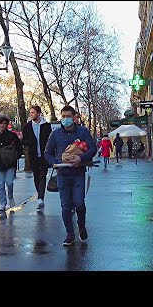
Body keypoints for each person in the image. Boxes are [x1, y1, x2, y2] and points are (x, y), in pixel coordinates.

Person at [44, 105, 97, 246]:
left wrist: (81, 159)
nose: (66, 119)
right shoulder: (55, 134)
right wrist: (54, 162)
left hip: (78, 174)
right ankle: (70, 234)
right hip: (62, 174)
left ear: (74, 117)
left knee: (79, 203)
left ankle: (81, 225)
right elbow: (47, 153)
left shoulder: (82, 132)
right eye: (63, 116)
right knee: (65, 206)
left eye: (68, 116)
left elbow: (92, 149)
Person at [0, 116, 23, 212]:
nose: (2, 125)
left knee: (9, 182)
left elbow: (19, 148)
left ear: (7, 125)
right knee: (1, 185)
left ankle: (10, 197)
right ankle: (3, 203)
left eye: (4, 123)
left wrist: (15, 157)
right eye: (0, 123)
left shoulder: (12, 136)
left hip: (10, 165)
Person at [22, 106, 52, 210]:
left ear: (39, 113)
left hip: (44, 155)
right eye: (30, 113)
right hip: (33, 156)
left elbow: (50, 140)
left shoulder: (47, 126)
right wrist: (29, 143)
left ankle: (40, 198)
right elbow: (24, 140)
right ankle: (39, 194)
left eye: (33, 112)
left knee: (42, 176)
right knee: (36, 176)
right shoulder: (27, 126)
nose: (31, 114)